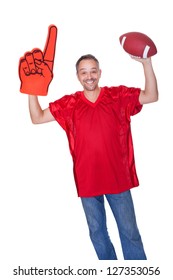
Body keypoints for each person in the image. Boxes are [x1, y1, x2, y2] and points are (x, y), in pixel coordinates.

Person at [19, 26, 158, 260]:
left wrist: (146, 64)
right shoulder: (70, 103)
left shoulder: (118, 96)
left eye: (93, 71)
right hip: (87, 181)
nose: (89, 76)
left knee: (130, 233)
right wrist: (32, 90)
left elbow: (151, 96)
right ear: (78, 76)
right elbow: (38, 118)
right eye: (84, 72)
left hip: (118, 179)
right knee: (97, 233)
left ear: (100, 73)